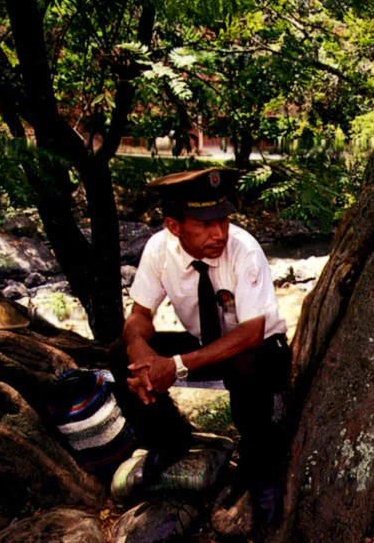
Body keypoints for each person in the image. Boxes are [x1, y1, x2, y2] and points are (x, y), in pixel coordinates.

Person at [109, 168, 291, 523]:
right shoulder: (160, 249)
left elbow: (252, 332)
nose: (218, 232)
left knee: (247, 366)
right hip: (204, 344)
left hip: (261, 350)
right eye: (204, 224)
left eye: (222, 220)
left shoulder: (244, 250)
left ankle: (260, 469)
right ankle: (169, 440)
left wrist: (174, 365)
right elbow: (141, 314)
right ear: (174, 227)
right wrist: (139, 349)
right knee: (118, 354)